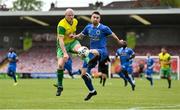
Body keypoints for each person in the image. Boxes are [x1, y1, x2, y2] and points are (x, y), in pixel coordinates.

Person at [72, 11, 123, 100]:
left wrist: (118, 41)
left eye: (97, 17)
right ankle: (92, 91)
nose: (95, 19)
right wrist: (74, 36)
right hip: (91, 53)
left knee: (92, 52)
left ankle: (89, 71)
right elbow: (81, 36)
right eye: (94, 17)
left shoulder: (104, 28)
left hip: (102, 51)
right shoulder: (88, 27)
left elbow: (112, 34)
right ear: (91, 18)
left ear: (99, 19)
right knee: (83, 75)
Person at [56, 8, 87, 96]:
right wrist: (65, 53)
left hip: (73, 42)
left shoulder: (75, 21)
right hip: (62, 46)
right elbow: (61, 41)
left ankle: (87, 69)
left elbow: (72, 32)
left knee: (83, 51)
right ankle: (60, 85)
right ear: (65, 16)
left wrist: (73, 35)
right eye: (69, 15)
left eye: (72, 15)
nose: (71, 17)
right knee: (60, 65)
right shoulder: (61, 25)